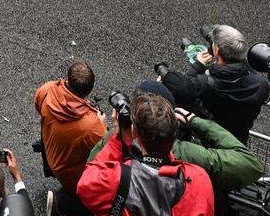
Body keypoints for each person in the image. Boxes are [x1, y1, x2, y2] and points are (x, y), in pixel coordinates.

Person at [87, 81, 263, 196]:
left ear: (135, 127)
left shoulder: (116, 140)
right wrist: (196, 121)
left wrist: (118, 135)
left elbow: (88, 178)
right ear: (174, 122)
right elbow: (251, 165)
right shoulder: (193, 160)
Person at [77, 91, 215, 216]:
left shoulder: (117, 180)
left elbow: (84, 185)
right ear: (174, 135)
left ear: (134, 132)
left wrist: (118, 139)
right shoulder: (200, 178)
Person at [159, 25, 269, 143]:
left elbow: (185, 89)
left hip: (212, 143)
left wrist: (198, 65)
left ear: (216, 50)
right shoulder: (262, 85)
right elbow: (245, 68)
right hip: (239, 142)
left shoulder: (207, 84)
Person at [34, 61, 106, 203]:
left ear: (67, 79)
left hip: (51, 156)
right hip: (72, 176)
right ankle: (62, 203)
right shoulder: (91, 125)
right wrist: (101, 122)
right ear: (89, 91)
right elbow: (105, 150)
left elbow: (38, 108)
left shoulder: (46, 90)